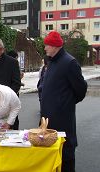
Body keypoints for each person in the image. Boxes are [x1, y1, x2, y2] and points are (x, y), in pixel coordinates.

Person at [41, 31, 87, 172]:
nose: (45, 48)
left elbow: (81, 89)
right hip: (48, 119)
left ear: (55, 46)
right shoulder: (51, 61)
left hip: (63, 120)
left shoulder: (69, 62)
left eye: (47, 45)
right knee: (51, 157)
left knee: (65, 155)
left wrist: (65, 103)